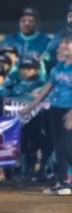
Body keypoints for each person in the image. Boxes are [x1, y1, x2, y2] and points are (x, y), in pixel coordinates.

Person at [25, 37, 72, 196]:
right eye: (62, 43)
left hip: (69, 110)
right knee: (58, 147)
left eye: (67, 43)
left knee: (67, 146)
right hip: (55, 109)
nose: (62, 46)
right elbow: (47, 88)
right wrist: (30, 106)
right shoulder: (59, 67)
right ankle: (63, 182)